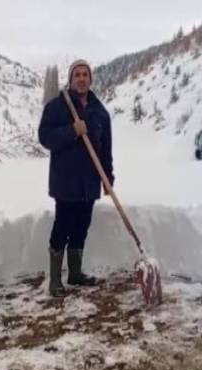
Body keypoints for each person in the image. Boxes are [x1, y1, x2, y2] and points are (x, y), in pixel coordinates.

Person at [38, 59, 114, 297]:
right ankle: (54, 281)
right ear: (71, 80)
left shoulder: (100, 112)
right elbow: (45, 137)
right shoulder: (57, 107)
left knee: (82, 227)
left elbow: (106, 149)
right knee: (63, 226)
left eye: (85, 74)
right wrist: (72, 131)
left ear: (90, 79)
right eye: (77, 75)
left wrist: (108, 178)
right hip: (66, 181)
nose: (81, 78)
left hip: (89, 182)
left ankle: (75, 273)